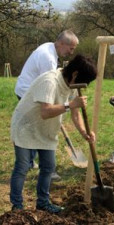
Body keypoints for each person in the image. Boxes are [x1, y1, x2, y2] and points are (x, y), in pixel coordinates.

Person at [10, 54, 97, 213]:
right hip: (26, 128)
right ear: (75, 74)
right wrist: (70, 104)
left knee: (48, 167)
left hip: (46, 131)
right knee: (22, 167)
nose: (83, 87)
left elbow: (76, 114)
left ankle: (43, 203)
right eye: (82, 81)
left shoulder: (72, 86)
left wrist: (85, 132)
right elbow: (45, 112)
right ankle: (17, 207)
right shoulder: (50, 81)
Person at [14, 30, 79, 180]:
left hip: (26, 88)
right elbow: (49, 88)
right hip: (28, 92)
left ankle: (30, 161)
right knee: (37, 126)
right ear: (62, 43)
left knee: (32, 126)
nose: (71, 52)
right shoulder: (48, 58)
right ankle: (42, 167)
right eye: (71, 48)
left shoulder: (49, 46)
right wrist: (56, 109)